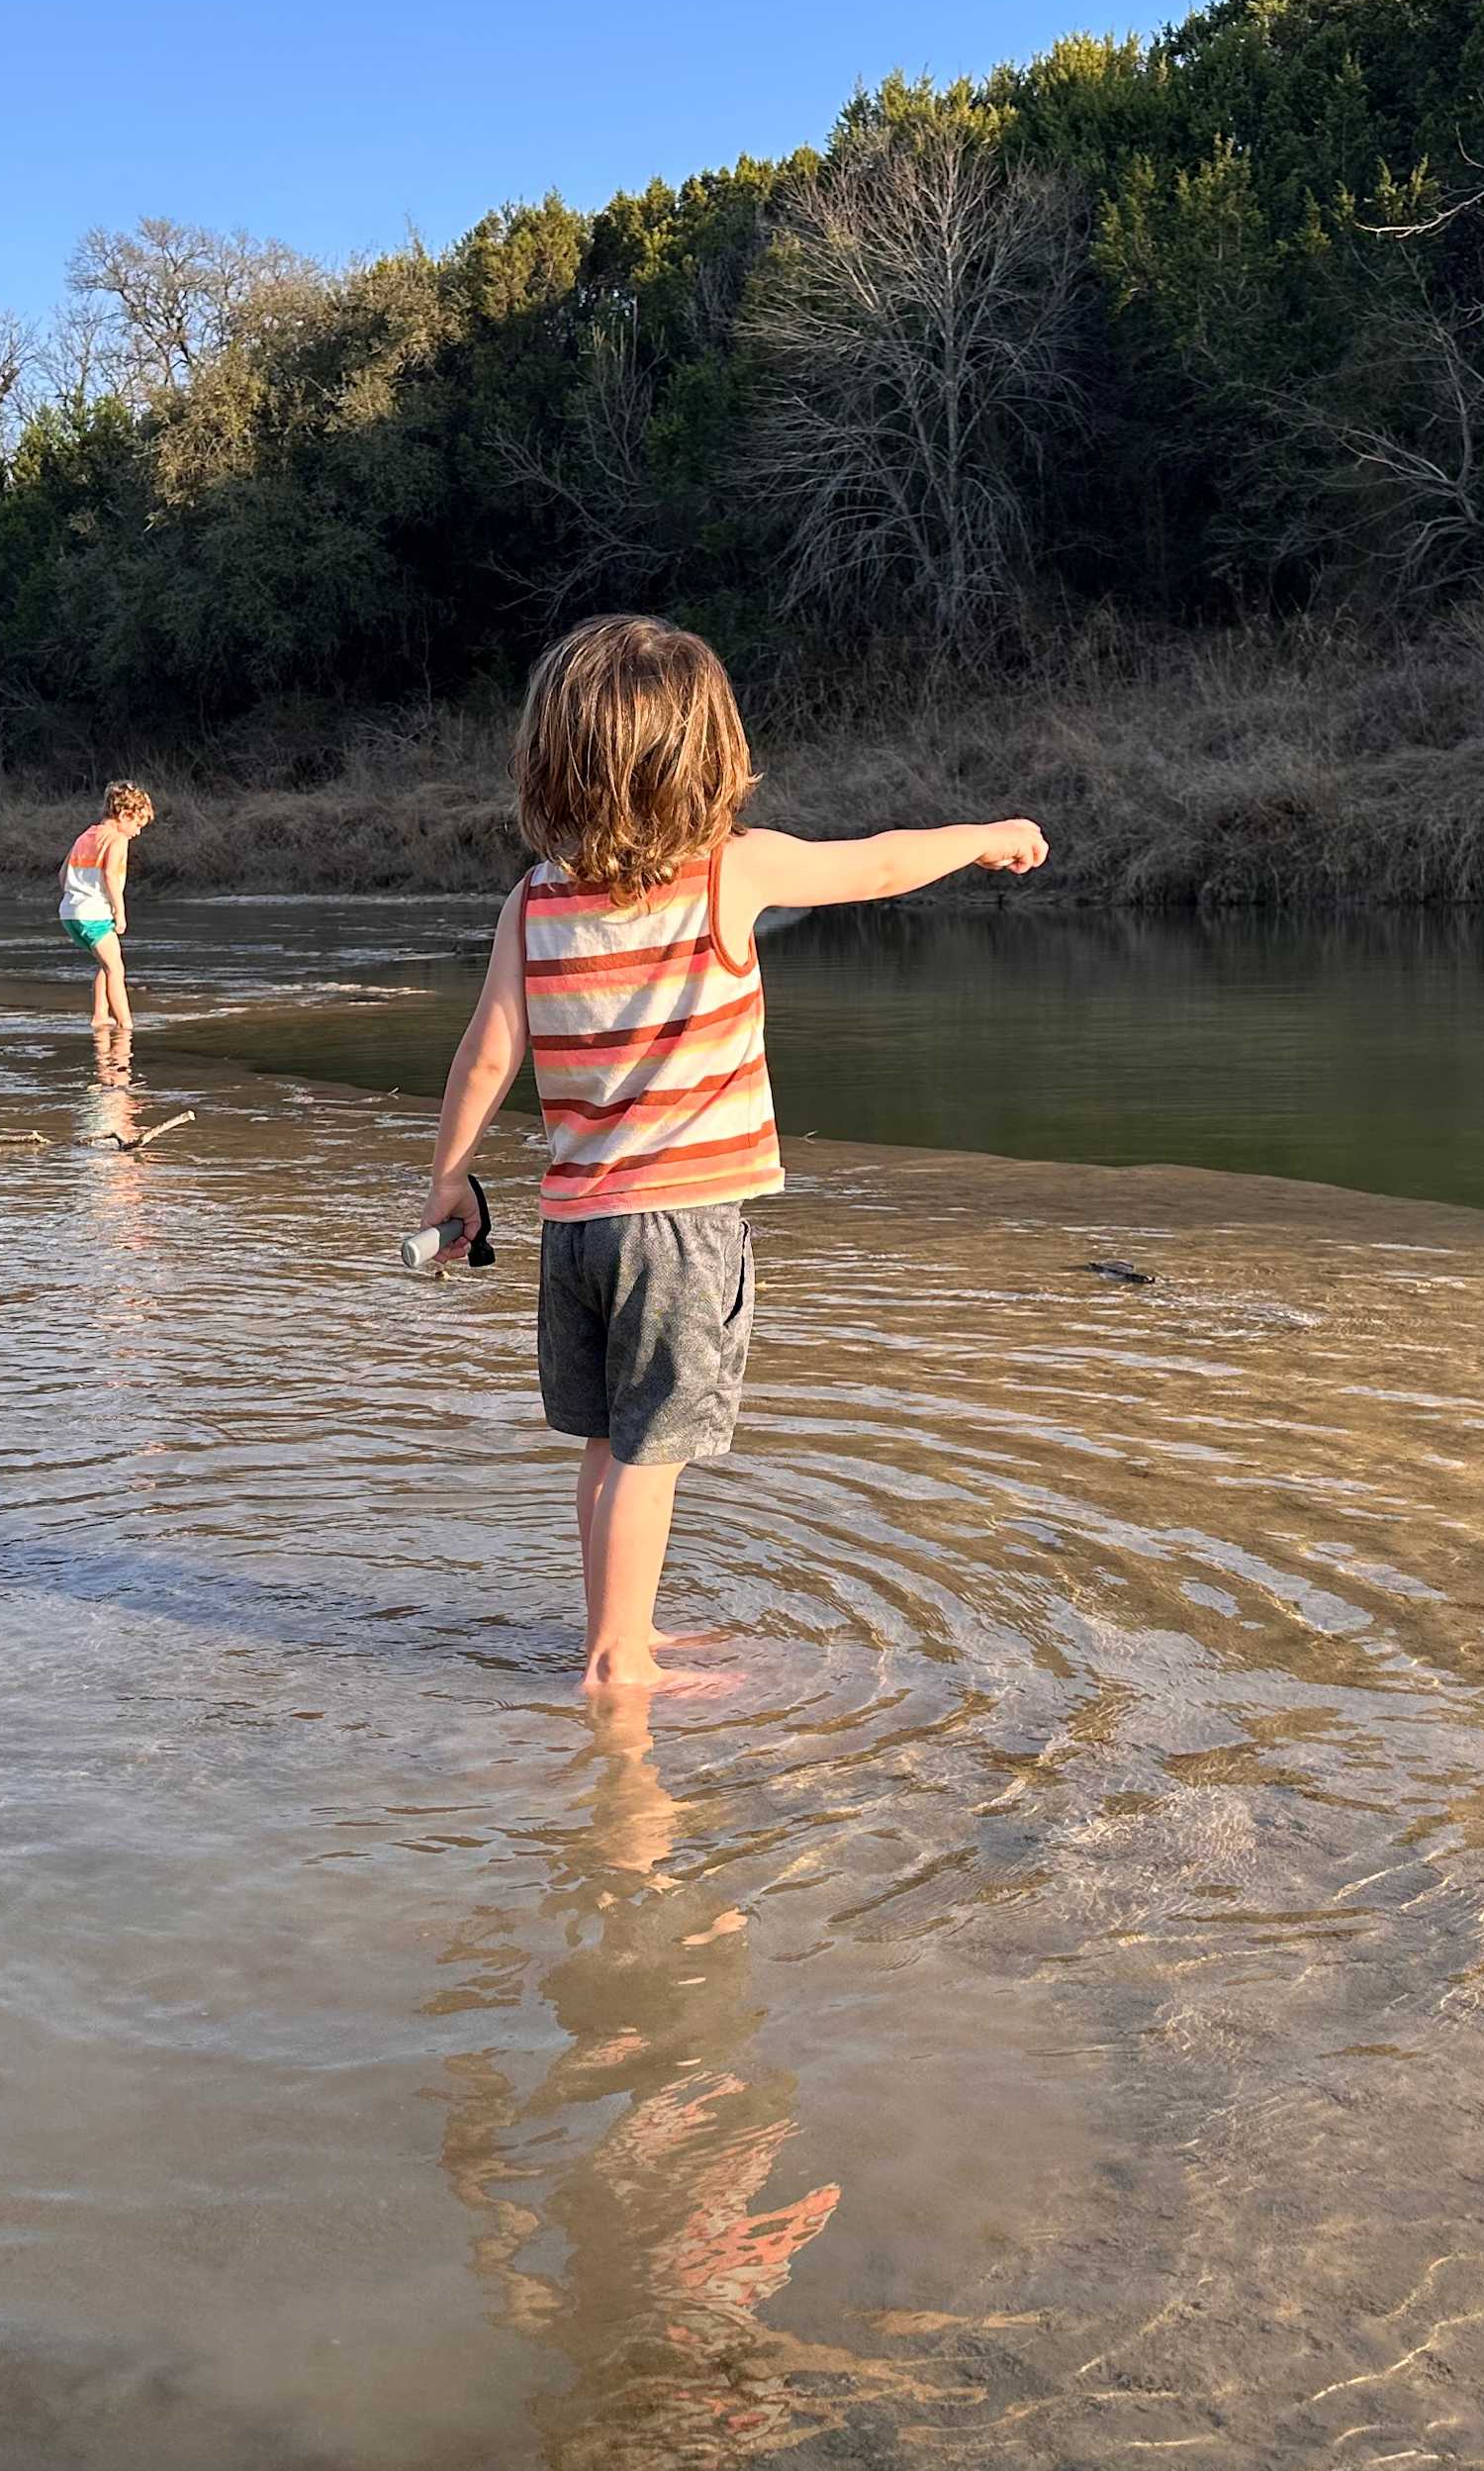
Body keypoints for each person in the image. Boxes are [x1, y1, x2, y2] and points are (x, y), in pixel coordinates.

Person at [417, 615, 1046, 1690]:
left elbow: (486, 1056)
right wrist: (983, 835)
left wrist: (449, 1178)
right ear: (705, 759)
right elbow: (880, 864)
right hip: (680, 1230)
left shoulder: (531, 902)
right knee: (653, 1450)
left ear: (552, 760)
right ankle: (621, 1663)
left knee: (609, 1444)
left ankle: (618, 1628)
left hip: (575, 1229)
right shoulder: (728, 873)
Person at [57, 781, 154, 1058]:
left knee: (105, 963)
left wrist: (76, 895)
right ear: (124, 816)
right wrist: (119, 911)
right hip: (95, 913)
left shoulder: (85, 836)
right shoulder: (117, 839)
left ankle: (101, 1014)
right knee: (116, 969)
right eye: (138, 824)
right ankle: (126, 1025)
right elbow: (111, 875)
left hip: (71, 913)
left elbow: (62, 875)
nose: (137, 832)